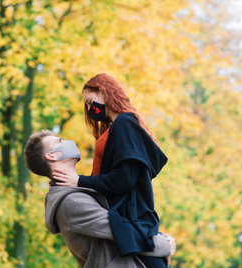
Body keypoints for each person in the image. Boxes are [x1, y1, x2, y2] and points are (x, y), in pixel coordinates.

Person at [52, 73, 169, 268]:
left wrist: (79, 182)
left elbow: (123, 179)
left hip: (128, 220)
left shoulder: (124, 123)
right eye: (87, 106)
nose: (90, 110)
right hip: (123, 220)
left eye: (91, 102)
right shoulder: (116, 127)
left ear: (104, 92)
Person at [24, 130, 175, 268]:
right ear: (52, 155)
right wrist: (163, 243)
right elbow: (121, 231)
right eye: (59, 141)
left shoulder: (80, 190)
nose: (66, 142)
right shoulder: (70, 202)